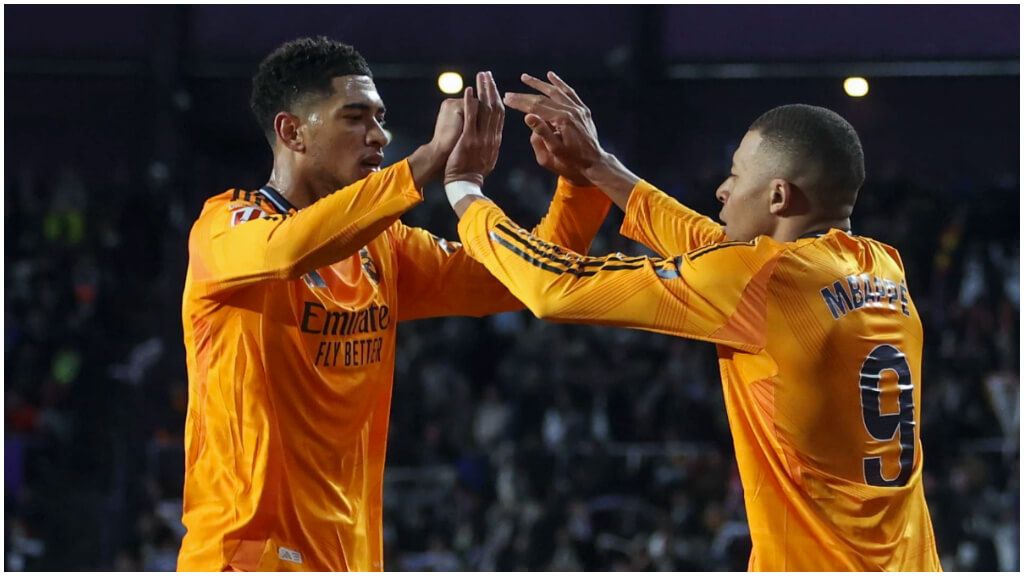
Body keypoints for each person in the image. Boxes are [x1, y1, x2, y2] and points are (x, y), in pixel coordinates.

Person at [442, 71, 942, 571]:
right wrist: (598, 166)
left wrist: (466, 191)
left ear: (778, 197)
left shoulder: (757, 280)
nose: (722, 190)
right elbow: (715, 248)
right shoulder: (882, 266)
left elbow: (555, 288)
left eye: (736, 175)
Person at [177, 40, 610, 571]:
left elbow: (516, 280)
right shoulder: (224, 227)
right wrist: (426, 161)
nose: (378, 135)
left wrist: (581, 181)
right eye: (354, 117)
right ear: (292, 132)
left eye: (379, 118)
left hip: (352, 558)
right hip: (246, 556)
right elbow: (286, 251)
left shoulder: (383, 246)